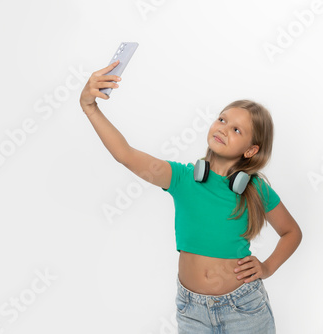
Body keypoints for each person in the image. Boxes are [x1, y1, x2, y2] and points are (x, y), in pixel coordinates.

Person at [80, 60, 303, 333]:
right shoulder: (182, 178)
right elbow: (125, 155)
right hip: (191, 310)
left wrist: (267, 267)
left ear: (251, 150)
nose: (223, 128)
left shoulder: (255, 189)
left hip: (243, 307)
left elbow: (291, 232)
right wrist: (90, 108)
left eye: (236, 130)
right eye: (222, 119)